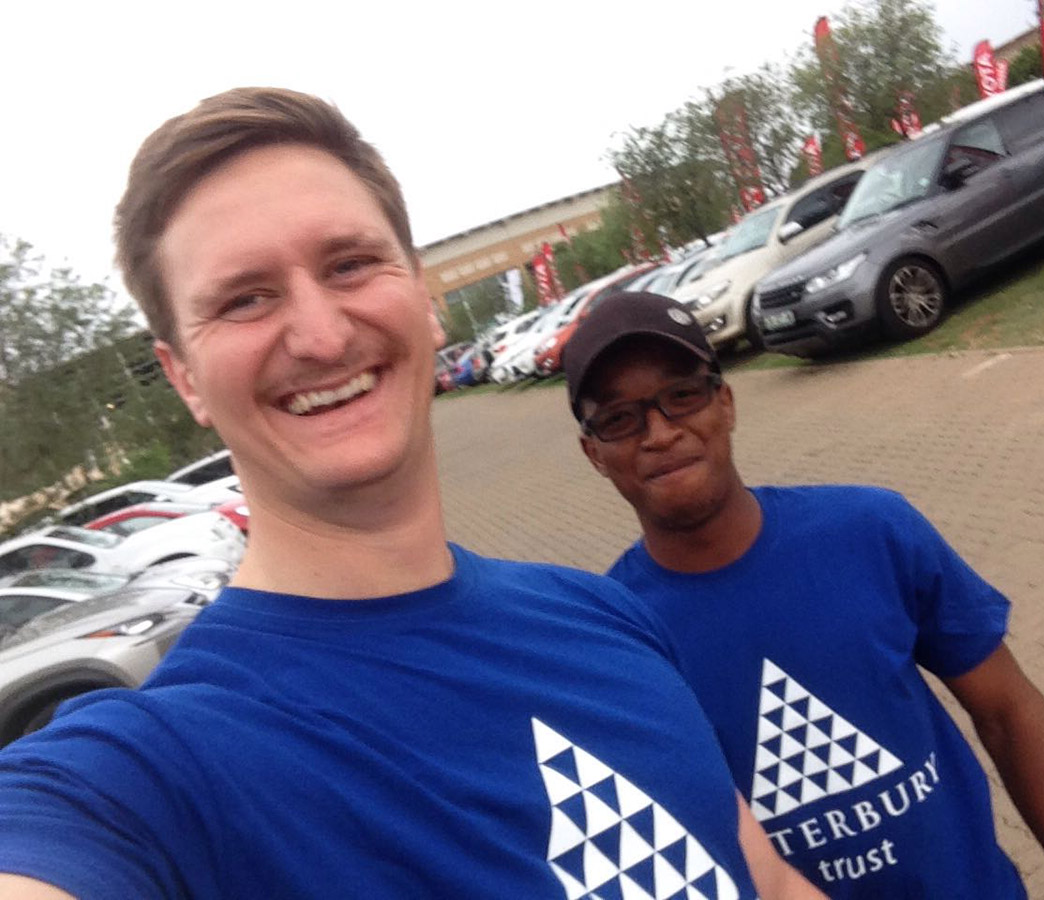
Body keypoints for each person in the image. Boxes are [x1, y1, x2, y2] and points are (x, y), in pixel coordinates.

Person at [0, 89, 824, 900]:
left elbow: (770, 880)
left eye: (350, 264)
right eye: (245, 299)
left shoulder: (601, 613)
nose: (322, 336)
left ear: (425, 300)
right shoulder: (156, 771)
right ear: (184, 376)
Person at [563, 292, 1044, 899]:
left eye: (682, 395)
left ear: (725, 402)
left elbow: (1009, 713)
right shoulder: (616, 639)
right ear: (594, 453)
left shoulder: (870, 530)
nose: (660, 432)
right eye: (619, 419)